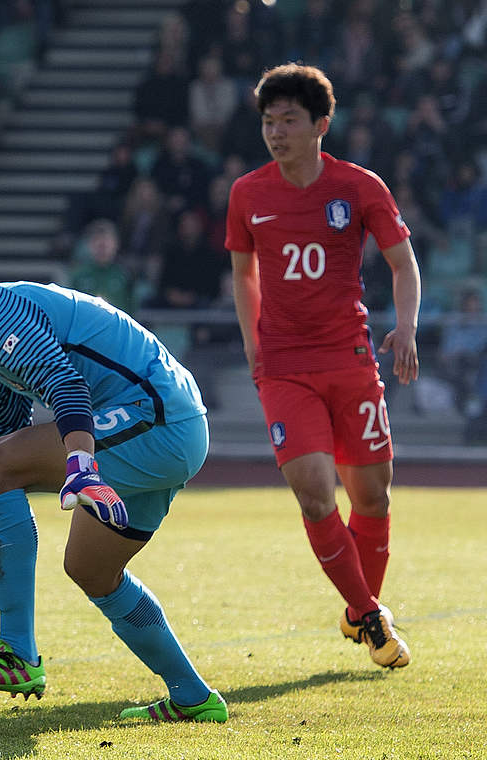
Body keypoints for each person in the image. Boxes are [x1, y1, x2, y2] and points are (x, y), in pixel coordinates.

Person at [0, 225, 227, 723]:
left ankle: (17, 654)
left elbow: (66, 389)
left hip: (156, 418)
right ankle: (193, 696)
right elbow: (8, 443)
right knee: (91, 571)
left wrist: (80, 465)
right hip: (168, 424)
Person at [226, 63, 419, 669]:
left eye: (288, 121)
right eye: (268, 121)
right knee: (314, 494)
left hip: (351, 359)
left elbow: (403, 264)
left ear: (321, 126)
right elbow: (243, 275)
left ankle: (360, 605)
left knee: (373, 498)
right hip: (284, 366)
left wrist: (406, 325)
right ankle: (370, 617)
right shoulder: (247, 193)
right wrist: (253, 344)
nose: (276, 132)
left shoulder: (360, 187)